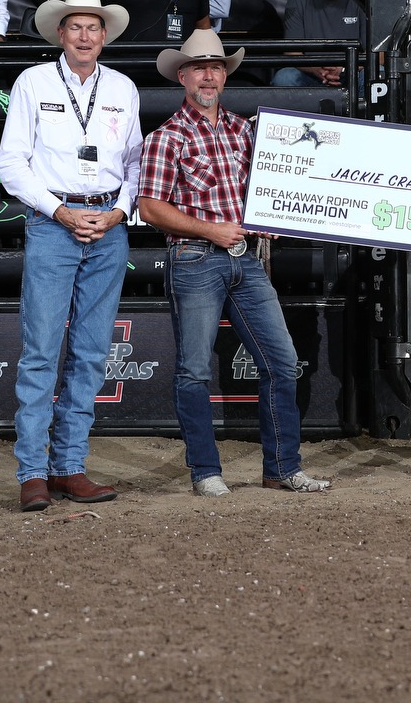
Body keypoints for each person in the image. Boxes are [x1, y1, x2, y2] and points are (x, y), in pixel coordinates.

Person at [137, 29, 332, 497]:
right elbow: (149, 208)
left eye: (217, 67)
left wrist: (273, 217)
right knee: (194, 369)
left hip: (246, 259)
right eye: (200, 67)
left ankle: (281, 467)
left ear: (225, 75)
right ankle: (206, 471)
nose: (209, 74)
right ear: (183, 76)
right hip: (197, 257)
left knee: (282, 362)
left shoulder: (244, 130)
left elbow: (266, 190)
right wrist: (211, 229)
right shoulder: (167, 137)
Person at [0, 0, 140, 511]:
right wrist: (59, 211)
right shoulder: (33, 81)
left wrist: (119, 212)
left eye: (93, 28)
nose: (84, 36)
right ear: (60, 33)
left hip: (107, 225)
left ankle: (69, 466)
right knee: (41, 351)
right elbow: (10, 164)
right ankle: (33, 471)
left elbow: (134, 165)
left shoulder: (123, 88)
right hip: (54, 225)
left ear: (105, 35)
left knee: (91, 352)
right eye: (75, 27)